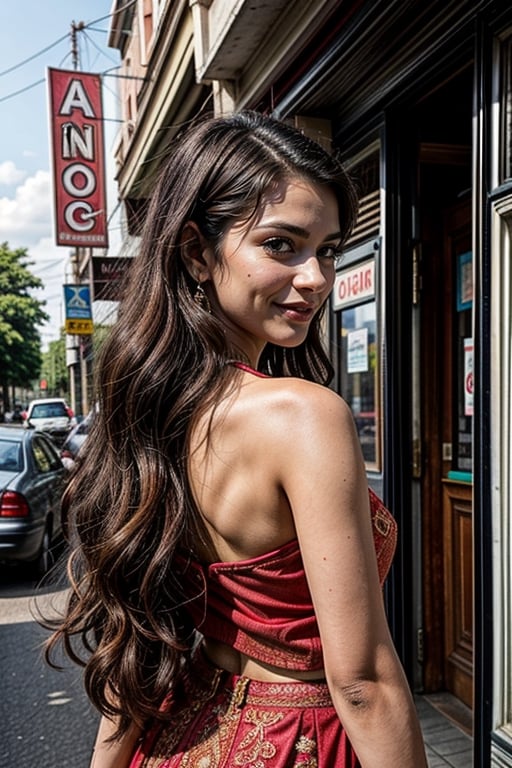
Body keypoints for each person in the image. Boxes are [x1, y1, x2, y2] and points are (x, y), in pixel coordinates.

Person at [44, 110, 427, 767]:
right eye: (282, 245)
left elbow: (137, 643)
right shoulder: (304, 416)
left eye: (328, 249)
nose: (315, 278)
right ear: (197, 251)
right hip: (302, 744)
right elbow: (361, 683)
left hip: (181, 734)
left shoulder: (152, 415)